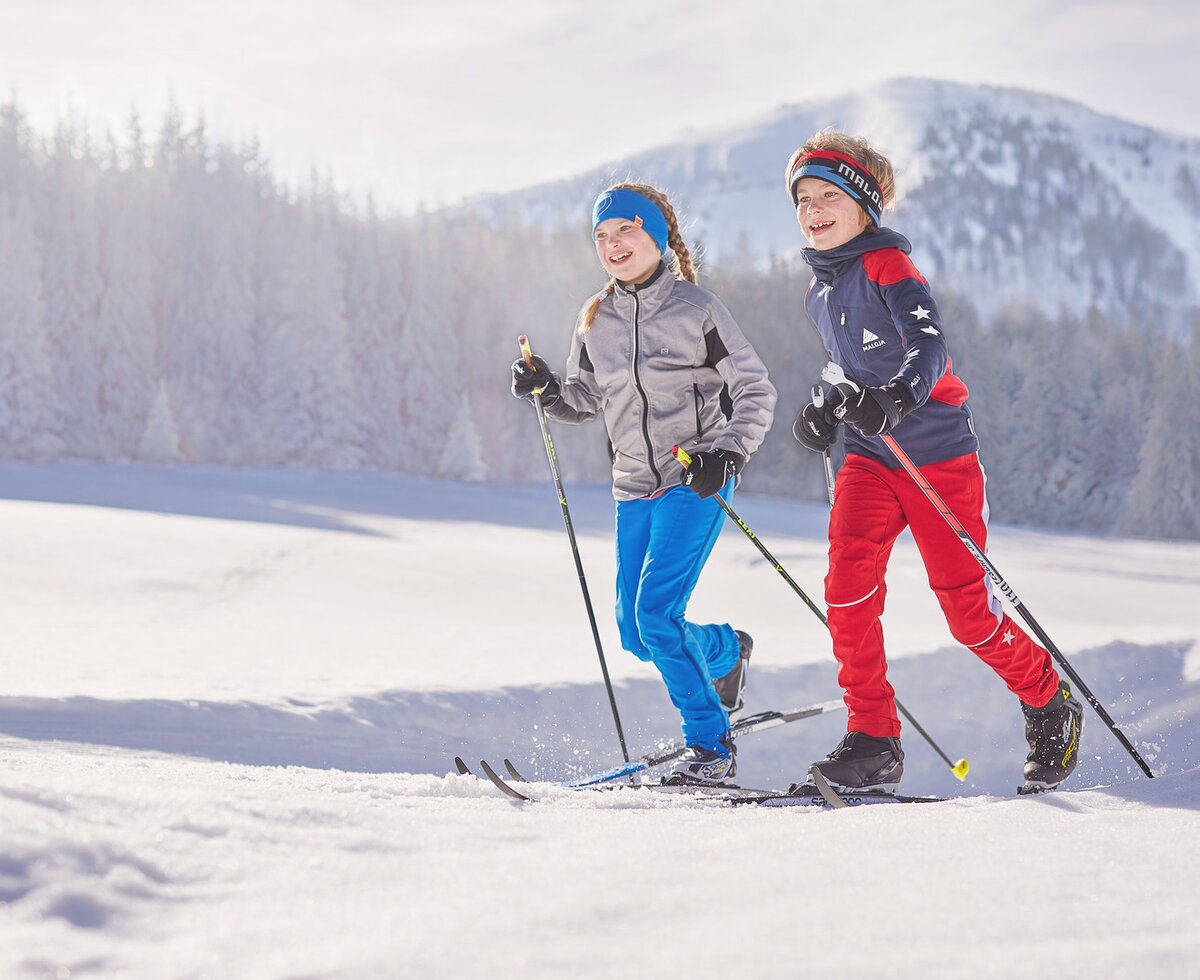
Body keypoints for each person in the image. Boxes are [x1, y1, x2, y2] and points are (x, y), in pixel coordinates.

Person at [785, 131, 1082, 794]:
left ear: (864, 204)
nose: (813, 208)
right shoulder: (817, 292)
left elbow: (929, 349)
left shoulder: (889, 266)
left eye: (828, 194)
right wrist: (822, 403)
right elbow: (845, 365)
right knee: (846, 588)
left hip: (937, 455)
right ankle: (872, 738)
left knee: (968, 614)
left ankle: (1047, 698)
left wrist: (894, 399)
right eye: (803, 198)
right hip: (870, 455)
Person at [511, 182, 776, 785]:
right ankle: (727, 651)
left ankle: (712, 747)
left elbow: (756, 388)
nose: (612, 244)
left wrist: (728, 454)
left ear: (656, 236)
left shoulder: (698, 310)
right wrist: (547, 390)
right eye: (601, 236)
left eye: (625, 230)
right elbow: (584, 399)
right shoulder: (594, 318)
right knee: (637, 634)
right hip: (633, 487)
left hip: (695, 480)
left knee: (656, 615)